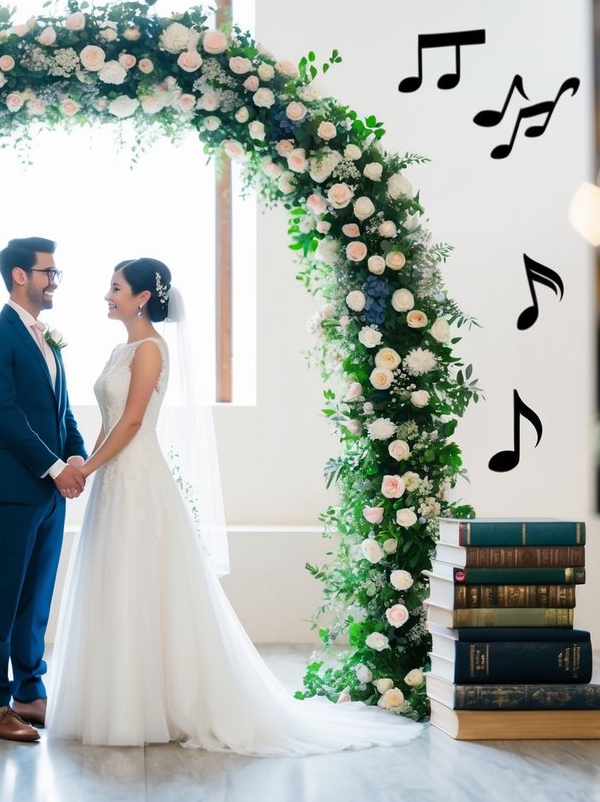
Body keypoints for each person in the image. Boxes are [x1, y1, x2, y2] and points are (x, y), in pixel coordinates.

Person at [46, 258, 424, 755]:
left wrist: (87, 470)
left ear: (141, 297)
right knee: (114, 582)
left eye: (114, 288)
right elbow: (110, 421)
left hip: (140, 481)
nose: (106, 295)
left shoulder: (151, 351)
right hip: (112, 481)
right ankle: (120, 702)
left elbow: (135, 423)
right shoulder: (119, 349)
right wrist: (84, 465)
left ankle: (159, 705)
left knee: (147, 584)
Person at [0, 237, 88, 742]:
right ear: (21, 275)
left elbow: (61, 409)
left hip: (51, 490)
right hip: (14, 487)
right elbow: (6, 417)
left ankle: (29, 693)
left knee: (36, 597)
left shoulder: (49, 340)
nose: (53, 280)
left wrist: (77, 452)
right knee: (4, 596)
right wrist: (55, 466)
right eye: (48, 272)